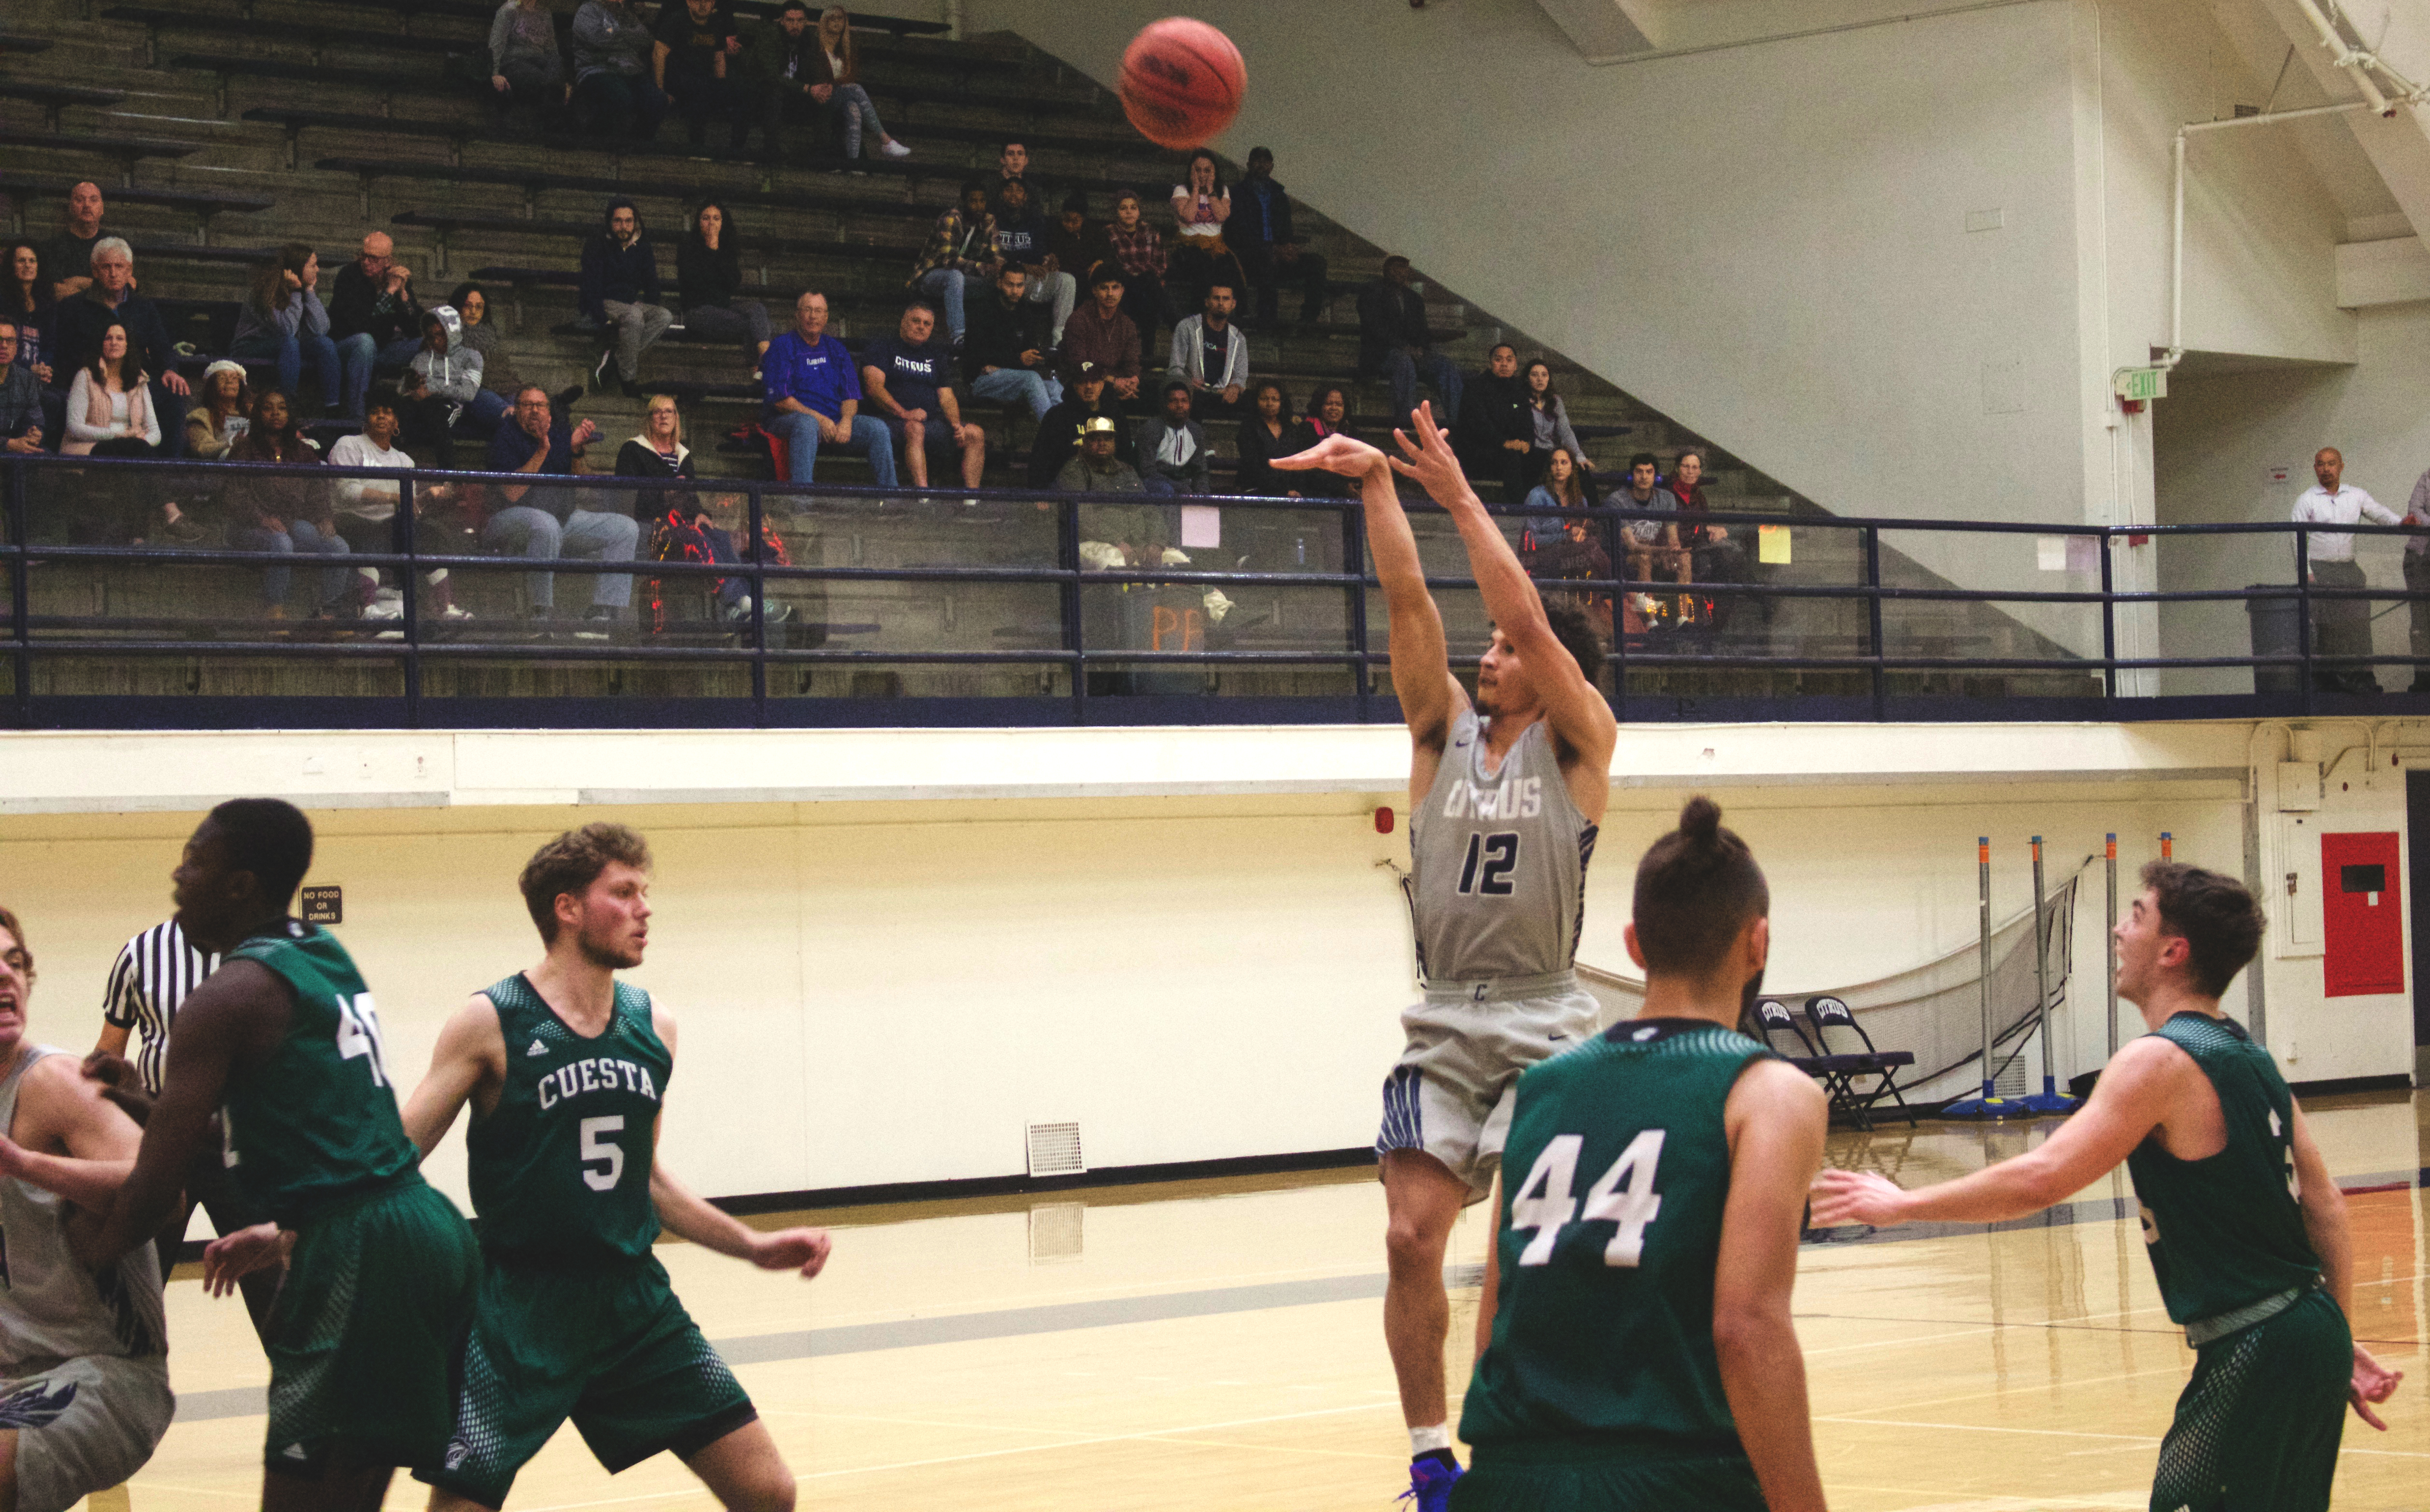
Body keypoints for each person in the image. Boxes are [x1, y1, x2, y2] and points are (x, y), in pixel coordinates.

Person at [1270, 402, 1619, 1512]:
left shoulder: (1579, 744)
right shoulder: (1438, 737)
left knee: (1524, 1249)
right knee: (1406, 1233)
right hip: (1444, 1018)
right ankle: (1430, 1459)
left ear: (1553, 666)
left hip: (1547, 1021)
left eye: (1509, 645)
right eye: (1493, 644)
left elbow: (1515, 603)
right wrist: (1376, 483)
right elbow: (1409, 602)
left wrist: (1458, 492)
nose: (1489, 647)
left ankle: (1526, 1432)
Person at [1813, 860, 2405, 1512]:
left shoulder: (2158, 1060)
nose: (2120, 931)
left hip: (2257, 1343)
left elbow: (2043, 1175)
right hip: (2305, 1328)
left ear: (2173, 951)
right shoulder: (2250, 1053)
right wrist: (2337, 1334)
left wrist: (1904, 1203)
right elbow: (2323, 1201)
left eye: (2137, 915)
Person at [390, 824, 826, 1512]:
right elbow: (398, 1152)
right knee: (462, 1505)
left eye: (644, 891)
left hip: (632, 1302)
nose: (644, 908)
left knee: (767, 1488)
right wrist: (293, 1223)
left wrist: (751, 1244)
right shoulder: (490, 1019)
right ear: (568, 908)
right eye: (623, 892)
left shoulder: (653, 1024)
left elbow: (647, 1177)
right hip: (517, 1307)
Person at [73, 798, 481, 1510]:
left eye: (196, 857)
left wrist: (75, 1264)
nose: (178, 872)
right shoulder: (321, 955)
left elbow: (152, 1187)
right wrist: (143, 1102)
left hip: (358, 1250)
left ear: (240, 883)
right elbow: (256, 1129)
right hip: (422, 1234)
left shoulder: (224, 995)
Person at [1455, 797, 1827, 1512]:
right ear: (1758, 942)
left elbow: (1494, 1318)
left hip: (1507, 1476)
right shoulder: (1770, 1093)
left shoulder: (1537, 1088)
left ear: (1634, 942)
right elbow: (1745, 1325)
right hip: (1676, 1476)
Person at [0, 904, 176, 1512]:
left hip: (103, 1369)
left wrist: (24, 1164)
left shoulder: (53, 1081)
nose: (6, 976)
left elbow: (157, 1185)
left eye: (15, 960)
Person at [91, 911, 285, 1335]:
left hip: (243, 1145)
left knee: (275, 1293)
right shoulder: (141, 952)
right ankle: (128, 1386)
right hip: (163, 1140)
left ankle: (301, 1391)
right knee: (136, 1284)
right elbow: (109, 1051)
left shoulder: (269, 951)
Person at [484, 385, 639, 633]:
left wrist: (576, 449)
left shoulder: (559, 434)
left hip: (562, 519)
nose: (535, 410)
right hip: (508, 521)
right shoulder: (505, 435)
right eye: (528, 405)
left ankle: (602, 612)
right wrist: (542, 450)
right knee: (545, 524)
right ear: (517, 411)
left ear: (549, 412)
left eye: (541, 405)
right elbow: (513, 493)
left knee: (626, 528)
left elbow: (582, 483)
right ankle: (540, 612)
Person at [616, 394, 776, 628]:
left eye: (669, 411)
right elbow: (624, 498)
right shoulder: (633, 450)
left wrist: (702, 514)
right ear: (649, 419)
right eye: (657, 412)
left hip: (681, 524)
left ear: (676, 418)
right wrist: (665, 494)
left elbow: (691, 499)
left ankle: (748, 599)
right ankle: (735, 602)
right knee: (695, 536)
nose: (663, 416)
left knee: (718, 534)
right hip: (649, 527)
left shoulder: (683, 455)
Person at [327, 399, 471, 623]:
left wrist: (428, 496)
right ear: (367, 421)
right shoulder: (349, 445)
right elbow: (346, 490)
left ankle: (446, 608)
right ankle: (367, 609)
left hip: (392, 523)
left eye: (388, 412)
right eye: (375, 412)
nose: (382, 416)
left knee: (432, 536)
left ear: (396, 423)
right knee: (374, 536)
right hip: (351, 519)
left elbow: (409, 505)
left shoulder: (404, 461)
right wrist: (393, 497)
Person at [49, 240, 188, 455]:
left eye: (119, 267)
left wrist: (170, 370)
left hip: (135, 382)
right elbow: (63, 354)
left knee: (174, 395)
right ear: (95, 270)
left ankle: (169, 469)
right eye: (106, 267)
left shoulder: (144, 308)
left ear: (129, 270)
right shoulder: (73, 307)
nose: (113, 273)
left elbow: (162, 346)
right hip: (92, 383)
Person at [227, 389, 353, 620]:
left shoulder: (303, 451)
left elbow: (319, 493)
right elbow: (234, 494)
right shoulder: (243, 449)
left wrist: (324, 518)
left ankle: (327, 615)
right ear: (257, 414)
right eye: (268, 408)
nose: (276, 413)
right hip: (247, 526)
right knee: (282, 543)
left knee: (338, 547)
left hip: (290, 523)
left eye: (282, 407)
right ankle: (274, 611)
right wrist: (261, 518)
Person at [761, 291, 895, 488]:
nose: (813, 316)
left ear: (826, 317)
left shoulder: (837, 349)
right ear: (797, 315)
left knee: (878, 429)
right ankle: (802, 501)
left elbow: (850, 396)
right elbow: (782, 401)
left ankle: (892, 498)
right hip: (789, 419)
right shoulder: (782, 346)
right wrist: (820, 419)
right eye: (807, 310)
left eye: (818, 311)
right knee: (807, 425)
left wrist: (847, 422)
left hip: (834, 421)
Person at [2294, 446, 2398, 695]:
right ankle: (2329, 683)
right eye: (2320, 464)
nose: (2326, 469)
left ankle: (2362, 679)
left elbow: (2380, 514)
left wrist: (2403, 523)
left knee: (2358, 627)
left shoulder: (2357, 495)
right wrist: (2306, 572)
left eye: (2331, 464)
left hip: (2349, 570)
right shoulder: (2306, 500)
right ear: (2315, 468)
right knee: (2327, 629)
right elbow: (2296, 539)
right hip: (2320, 570)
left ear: (2342, 466)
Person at [860, 302, 985, 490]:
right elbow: (874, 388)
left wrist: (956, 425)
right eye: (916, 321)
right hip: (891, 420)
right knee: (915, 429)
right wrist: (904, 414)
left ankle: (972, 499)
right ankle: (924, 496)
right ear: (903, 321)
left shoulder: (935, 354)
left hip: (930, 420)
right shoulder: (882, 347)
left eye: (927, 324)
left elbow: (947, 397)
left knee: (975, 434)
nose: (921, 327)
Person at [232, 243, 341, 416]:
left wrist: (310, 292)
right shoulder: (266, 291)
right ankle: (287, 404)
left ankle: (333, 407)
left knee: (325, 343)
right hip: (252, 344)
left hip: (287, 344)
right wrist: (297, 292)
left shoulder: (304, 289)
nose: (318, 270)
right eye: (313, 265)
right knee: (290, 342)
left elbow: (321, 329)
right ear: (298, 267)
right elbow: (287, 330)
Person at [579, 199, 672, 400]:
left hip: (629, 304)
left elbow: (651, 282)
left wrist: (650, 304)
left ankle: (618, 357)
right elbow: (591, 284)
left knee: (664, 316)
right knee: (634, 315)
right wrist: (600, 317)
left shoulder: (642, 245)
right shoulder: (597, 243)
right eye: (618, 221)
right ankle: (628, 379)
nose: (624, 227)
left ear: (635, 222)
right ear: (610, 223)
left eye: (629, 221)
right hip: (604, 301)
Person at [327, 233, 423, 422]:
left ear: (388, 261)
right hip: (348, 346)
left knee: (427, 342)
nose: (366, 262)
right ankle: (358, 419)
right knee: (365, 342)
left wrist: (403, 294)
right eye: (364, 256)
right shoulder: (349, 276)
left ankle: (416, 415)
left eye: (373, 258)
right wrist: (389, 293)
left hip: (383, 348)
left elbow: (415, 329)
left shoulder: (395, 279)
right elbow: (362, 327)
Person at [1359, 256, 1460, 429]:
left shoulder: (1414, 299)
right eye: (1395, 267)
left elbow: (1422, 329)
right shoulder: (1372, 292)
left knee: (1445, 366)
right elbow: (1374, 327)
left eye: (1404, 268)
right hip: (1382, 352)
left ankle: (1458, 421)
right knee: (1404, 363)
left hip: (1412, 352)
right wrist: (1403, 347)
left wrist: (1420, 348)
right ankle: (1405, 422)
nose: (1400, 271)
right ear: (1386, 270)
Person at [1232, 148, 1328, 329]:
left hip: (1276, 255)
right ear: (1248, 165)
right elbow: (1239, 234)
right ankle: (1268, 321)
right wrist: (1272, 249)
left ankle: (1309, 319)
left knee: (1317, 264)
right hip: (1250, 258)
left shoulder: (1279, 196)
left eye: (1266, 161)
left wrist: (1289, 248)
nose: (1261, 165)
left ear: (1272, 167)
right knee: (1266, 260)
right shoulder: (1237, 194)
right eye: (1257, 160)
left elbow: (1285, 230)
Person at [400, 306, 506, 469]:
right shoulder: (421, 358)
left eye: (441, 335)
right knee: (396, 407)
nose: (436, 341)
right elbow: (401, 389)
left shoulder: (471, 357)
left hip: (450, 406)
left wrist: (432, 389)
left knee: (434, 409)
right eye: (431, 336)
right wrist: (410, 387)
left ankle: (447, 474)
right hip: (419, 404)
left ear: (452, 332)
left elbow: (468, 392)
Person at [801, 5, 909, 161]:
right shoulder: (815, 46)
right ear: (824, 22)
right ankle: (885, 140)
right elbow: (816, 76)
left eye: (840, 19)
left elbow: (852, 75)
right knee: (856, 89)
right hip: (823, 94)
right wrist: (836, 84)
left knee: (855, 111)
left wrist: (838, 84)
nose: (837, 23)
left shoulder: (848, 46)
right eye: (832, 19)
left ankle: (853, 162)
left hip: (842, 94)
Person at [677, 201, 772, 367]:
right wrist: (711, 249)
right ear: (699, 222)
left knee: (758, 310)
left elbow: (733, 283)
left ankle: (764, 362)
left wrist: (717, 251)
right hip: (697, 311)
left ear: (722, 223)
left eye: (716, 218)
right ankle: (762, 367)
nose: (711, 223)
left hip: (724, 309)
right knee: (759, 326)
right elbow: (695, 284)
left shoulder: (727, 250)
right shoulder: (687, 249)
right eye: (706, 218)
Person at [904, 182, 999, 350]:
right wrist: (982, 267)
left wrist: (1000, 268)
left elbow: (995, 254)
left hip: (963, 279)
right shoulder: (951, 218)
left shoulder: (988, 221)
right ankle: (959, 337)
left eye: (982, 201)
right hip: (931, 276)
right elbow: (949, 261)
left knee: (996, 286)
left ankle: (990, 338)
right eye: (973, 201)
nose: (978, 206)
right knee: (955, 276)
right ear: (963, 202)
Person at [961, 266, 1060, 423]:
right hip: (981, 379)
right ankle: (1052, 435)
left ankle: (1071, 438)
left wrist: (1036, 357)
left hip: (1014, 376)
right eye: (1010, 285)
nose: (1015, 291)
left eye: (1019, 285)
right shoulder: (982, 310)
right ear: (1000, 283)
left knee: (1054, 386)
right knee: (1032, 379)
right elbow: (976, 354)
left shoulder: (1025, 312)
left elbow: (1029, 350)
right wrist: (1017, 359)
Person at [651, 0, 749, 151]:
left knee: (742, 93)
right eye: (698, 1)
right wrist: (660, 89)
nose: (703, 5)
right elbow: (659, 54)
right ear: (689, 2)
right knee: (699, 92)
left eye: (708, 1)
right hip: (678, 78)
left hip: (705, 79)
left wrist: (721, 87)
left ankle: (736, 149)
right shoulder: (676, 20)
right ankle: (698, 148)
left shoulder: (717, 23)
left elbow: (719, 59)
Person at [990, 179, 1075, 348]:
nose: (1014, 194)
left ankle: (1059, 339)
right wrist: (1023, 267)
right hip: (1005, 280)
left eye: (1019, 190)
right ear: (1002, 195)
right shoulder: (993, 220)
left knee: (1067, 281)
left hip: (1030, 280)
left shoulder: (1035, 221)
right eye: (1009, 190)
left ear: (1026, 197)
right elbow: (993, 257)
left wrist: (1049, 261)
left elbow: (1040, 254)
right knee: (1006, 275)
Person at [1028, 361, 1135, 488]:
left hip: (1110, 484)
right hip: (1068, 485)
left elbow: (1126, 456)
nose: (1089, 387)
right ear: (1074, 385)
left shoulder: (1115, 416)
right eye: (1082, 382)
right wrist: (1041, 494)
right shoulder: (1057, 416)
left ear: (1102, 384)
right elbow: (1041, 459)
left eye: (1094, 381)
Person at [62, 321, 161, 458]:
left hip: (131, 448)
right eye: (108, 338)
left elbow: (155, 432)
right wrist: (119, 436)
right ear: (101, 344)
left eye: (120, 339)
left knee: (143, 454)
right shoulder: (85, 376)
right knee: (117, 452)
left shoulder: (139, 380)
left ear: (128, 345)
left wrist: (142, 442)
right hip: (90, 447)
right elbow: (75, 428)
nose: (114, 343)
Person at [570, 0, 665, 140]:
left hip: (631, 71)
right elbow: (599, 40)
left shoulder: (626, 15)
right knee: (620, 96)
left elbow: (647, 40)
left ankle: (638, 144)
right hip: (597, 69)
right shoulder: (587, 11)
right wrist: (629, 38)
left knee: (658, 101)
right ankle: (595, 140)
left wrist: (616, 34)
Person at [1167, 150, 1245, 315]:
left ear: (1214, 172)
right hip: (1189, 245)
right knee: (1204, 270)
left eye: (1207, 170)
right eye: (1198, 170)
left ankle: (1233, 319)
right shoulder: (1182, 190)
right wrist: (1196, 189)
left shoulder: (1222, 191)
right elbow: (1188, 217)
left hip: (1216, 245)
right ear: (1191, 171)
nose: (1202, 174)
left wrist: (1210, 191)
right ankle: (1198, 316)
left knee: (1233, 272)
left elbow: (1222, 216)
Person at [1453, 345, 1532, 499]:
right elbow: (1479, 425)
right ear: (1490, 364)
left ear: (1516, 365)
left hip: (1509, 450)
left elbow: (1526, 421)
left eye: (1509, 360)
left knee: (1542, 456)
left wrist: (1525, 442)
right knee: (1511, 458)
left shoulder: (1520, 390)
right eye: (1498, 360)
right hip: (1477, 453)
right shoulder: (1475, 387)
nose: (1504, 364)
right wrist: (1504, 443)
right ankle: (1518, 510)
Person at [1167, 282, 1248, 423]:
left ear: (1233, 304)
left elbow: (1241, 376)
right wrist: (1187, 382)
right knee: (1192, 401)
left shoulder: (1238, 337)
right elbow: (1175, 368)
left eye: (1226, 299)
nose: (1221, 303)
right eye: (1216, 298)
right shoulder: (1187, 327)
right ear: (1207, 302)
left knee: (1256, 401)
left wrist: (1235, 388)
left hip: (1222, 393)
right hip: (1194, 392)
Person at [1058, 266, 1139, 397]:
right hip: (1082, 383)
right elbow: (1081, 363)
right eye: (1104, 288)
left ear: (1123, 290)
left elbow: (1132, 361)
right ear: (1094, 291)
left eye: (1115, 287)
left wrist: (1133, 380)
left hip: (1114, 385)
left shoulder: (1127, 324)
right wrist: (1114, 381)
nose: (1110, 294)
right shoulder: (1079, 320)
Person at [447, 283, 532, 404]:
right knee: (509, 411)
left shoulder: (491, 332)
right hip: (475, 390)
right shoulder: (447, 333)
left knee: (529, 403)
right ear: (458, 306)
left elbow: (504, 368)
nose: (473, 311)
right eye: (468, 306)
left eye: (479, 307)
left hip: (504, 386)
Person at [1103, 191, 1168, 346]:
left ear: (1139, 211)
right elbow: (1111, 263)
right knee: (1147, 290)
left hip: (1147, 284)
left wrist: (1156, 277)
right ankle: (1174, 321)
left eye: (1133, 208)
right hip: (1124, 281)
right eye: (1123, 208)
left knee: (1148, 300)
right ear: (1117, 212)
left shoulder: (1150, 231)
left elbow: (1161, 261)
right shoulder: (1109, 232)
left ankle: (1148, 357)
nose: (1129, 212)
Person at [1610, 452, 1684, 586]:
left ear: (1656, 476)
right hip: (1626, 556)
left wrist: (1675, 549)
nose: (1644, 477)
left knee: (1685, 558)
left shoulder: (1667, 498)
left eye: (1649, 472)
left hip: (1657, 550)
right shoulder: (1617, 500)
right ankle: (1647, 606)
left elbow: (1673, 536)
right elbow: (1632, 546)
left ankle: (1685, 606)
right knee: (1644, 557)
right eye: (1639, 472)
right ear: (1632, 474)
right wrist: (1663, 550)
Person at [486, 0, 565, 125]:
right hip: (515, 62)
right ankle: (552, 117)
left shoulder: (545, 13)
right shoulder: (509, 10)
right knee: (544, 82)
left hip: (541, 62)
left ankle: (552, 110)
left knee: (557, 62)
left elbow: (551, 48)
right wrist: (495, 73)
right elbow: (497, 44)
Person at [1233, 379, 1308, 498]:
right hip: (1256, 491)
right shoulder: (1248, 428)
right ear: (1256, 401)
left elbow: (1298, 462)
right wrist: (1282, 492)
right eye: (1264, 399)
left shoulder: (1291, 429)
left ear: (1282, 402)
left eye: (1275, 400)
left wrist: (1296, 490)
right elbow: (1253, 466)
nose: (1269, 403)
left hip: (1291, 493)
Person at [1520, 360, 1586, 494]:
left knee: (1583, 470)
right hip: (1531, 452)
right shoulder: (1519, 401)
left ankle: (1592, 511)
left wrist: (1579, 455)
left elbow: (1566, 431)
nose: (1540, 379)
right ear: (1527, 378)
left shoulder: (1556, 401)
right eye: (1535, 375)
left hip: (1551, 452)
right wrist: (1521, 404)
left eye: (1544, 375)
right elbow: (1514, 411)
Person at [1135, 380, 1210, 497]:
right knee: (1166, 489)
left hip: (1184, 488)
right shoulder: (1151, 429)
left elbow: (1200, 471)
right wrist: (1180, 488)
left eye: (1184, 401)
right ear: (1164, 404)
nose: (1180, 405)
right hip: (1155, 486)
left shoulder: (1196, 431)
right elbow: (1147, 471)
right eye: (1174, 401)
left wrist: (1203, 495)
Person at [38, 183, 106, 305]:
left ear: (102, 209)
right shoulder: (52, 247)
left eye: (93, 200)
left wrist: (79, 282)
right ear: (70, 208)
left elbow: (129, 286)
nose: (87, 205)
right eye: (80, 200)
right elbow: (58, 291)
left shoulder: (113, 245)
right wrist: (102, 288)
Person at [1045, 192, 1110, 302]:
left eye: (1075, 221)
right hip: (1064, 278)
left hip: (1087, 279)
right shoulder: (1055, 231)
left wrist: (1100, 261)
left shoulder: (1094, 233)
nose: (1070, 225)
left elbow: (1108, 254)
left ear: (1083, 219)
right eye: (1066, 220)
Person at [1295, 383, 1356, 500]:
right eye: (1329, 404)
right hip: (1314, 495)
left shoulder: (1351, 431)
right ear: (1320, 406)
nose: (1334, 408)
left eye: (1339, 404)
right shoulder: (1307, 429)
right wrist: (1343, 487)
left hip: (1345, 494)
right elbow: (1308, 470)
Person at [1054, 415, 1143, 493]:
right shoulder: (1073, 471)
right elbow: (1082, 509)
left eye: (1107, 439)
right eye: (1095, 439)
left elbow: (1144, 506)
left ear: (1114, 442)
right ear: (1085, 442)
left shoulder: (1126, 470)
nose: (1102, 443)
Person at [184, 358, 252, 460]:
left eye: (234, 378)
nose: (229, 382)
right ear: (212, 385)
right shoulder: (201, 415)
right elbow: (202, 448)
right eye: (222, 378)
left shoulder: (253, 412)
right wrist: (232, 443)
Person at [0, 321, 49, 456]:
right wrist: (8, 444)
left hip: (17, 449)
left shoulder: (26, 379)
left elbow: (36, 420)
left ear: (16, 348)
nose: (4, 346)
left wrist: (34, 434)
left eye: (9, 341)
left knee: (46, 459)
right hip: (7, 447)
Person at [2402, 462, 2430, 693]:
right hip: (2421, 558)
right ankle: (2423, 677)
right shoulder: (2428, 477)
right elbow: (2415, 511)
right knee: (2421, 622)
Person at [1520, 444, 1587, 536]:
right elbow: (1531, 538)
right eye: (1554, 463)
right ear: (1550, 468)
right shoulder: (1537, 495)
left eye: (1564, 462)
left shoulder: (1581, 500)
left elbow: (1582, 531)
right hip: (1544, 549)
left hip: (1573, 548)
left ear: (1572, 468)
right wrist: (1566, 537)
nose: (1559, 468)